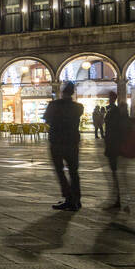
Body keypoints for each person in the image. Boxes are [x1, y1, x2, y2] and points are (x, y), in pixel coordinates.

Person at [42, 82, 84, 211]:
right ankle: (76, 199)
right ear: (72, 92)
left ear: (62, 92)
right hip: (72, 142)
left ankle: (69, 198)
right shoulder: (79, 107)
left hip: (57, 142)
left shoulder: (53, 105)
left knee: (60, 170)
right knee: (73, 171)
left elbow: (47, 119)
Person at [102, 90, 130, 211]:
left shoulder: (114, 111)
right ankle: (120, 199)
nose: (109, 98)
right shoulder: (114, 110)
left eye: (110, 97)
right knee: (118, 174)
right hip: (115, 145)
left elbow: (114, 128)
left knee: (116, 174)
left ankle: (120, 200)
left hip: (114, 145)